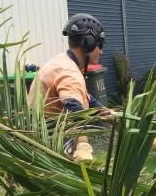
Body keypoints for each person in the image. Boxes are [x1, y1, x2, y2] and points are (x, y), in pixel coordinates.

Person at [28, 14, 107, 161]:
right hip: (48, 136)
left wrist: (108, 113)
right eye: (100, 45)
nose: (101, 51)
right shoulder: (70, 72)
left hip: (36, 129)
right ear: (88, 43)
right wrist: (83, 145)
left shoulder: (63, 60)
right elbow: (74, 108)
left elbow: (84, 96)